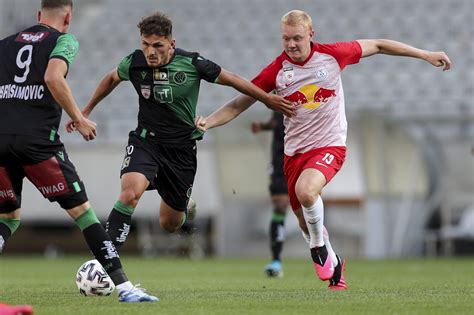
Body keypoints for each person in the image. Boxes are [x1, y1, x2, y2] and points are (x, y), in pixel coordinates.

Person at [195, 9, 452, 290]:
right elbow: (237, 104)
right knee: (304, 218)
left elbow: (378, 45)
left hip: (329, 145)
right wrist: (207, 122)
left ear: (311, 35)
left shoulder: (332, 55)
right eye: (285, 39)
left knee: (307, 192)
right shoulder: (278, 72)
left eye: (297, 38)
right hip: (294, 154)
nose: (291, 45)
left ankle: (317, 247)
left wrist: (425, 54)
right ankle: (334, 264)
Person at [65, 12, 293, 252]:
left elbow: (234, 79)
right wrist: (85, 112)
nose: (150, 51)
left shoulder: (193, 63)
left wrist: (267, 99)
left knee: (169, 224)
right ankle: (106, 262)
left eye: (157, 45)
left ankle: (184, 207)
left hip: (181, 150)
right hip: (146, 142)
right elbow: (111, 78)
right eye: (145, 44)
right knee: (130, 193)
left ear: (171, 44)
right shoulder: (134, 62)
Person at [0, 0, 158, 302]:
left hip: (1, 140)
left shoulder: (5, 44)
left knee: (8, 218)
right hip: (37, 144)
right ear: (68, 17)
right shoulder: (64, 40)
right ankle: (125, 288)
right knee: (84, 215)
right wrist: (79, 118)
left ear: (38, 15)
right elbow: (52, 76)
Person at [251, 112, 290, 277]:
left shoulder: (306, 89)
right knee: (280, 205)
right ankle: (276, 261)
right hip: (279, 157)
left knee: (305, 208)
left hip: (302, 152)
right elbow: (277, 120)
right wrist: (264, 126)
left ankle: (324, 256)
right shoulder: (279, 89)